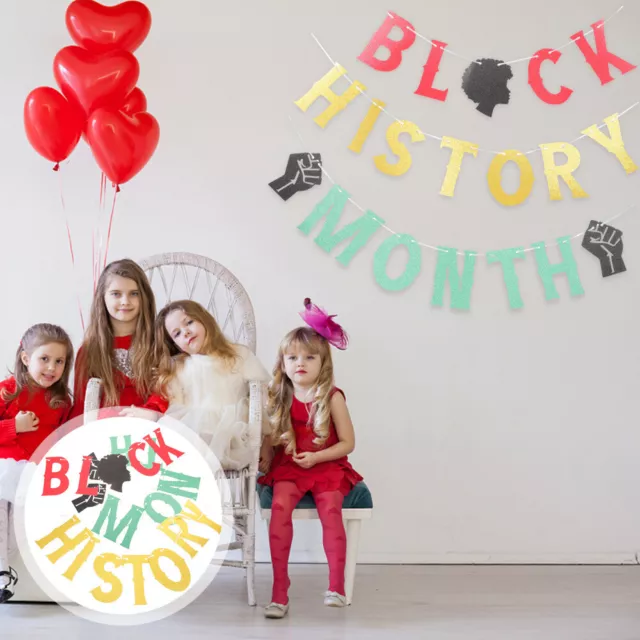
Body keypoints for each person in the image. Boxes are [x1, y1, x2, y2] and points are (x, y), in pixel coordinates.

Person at [259, 299, 362, 618]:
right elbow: (268, 437)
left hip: (327, 465)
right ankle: (279, 593)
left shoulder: (332, 397)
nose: (300, 362)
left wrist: (317, 458)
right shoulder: (277, 397)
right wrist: (265, 456)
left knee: (332, 510)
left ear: (323, 363)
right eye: (292, 357)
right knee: (279, 509)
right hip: (289, 467)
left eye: (309, 357)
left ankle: (336, 587)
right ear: (283, 363)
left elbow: (348, 443)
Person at [0, 323, 74, 602]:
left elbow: (62, 438)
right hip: (5, 467)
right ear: (25, 358)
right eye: (45, 359)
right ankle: (2, 572)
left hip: (35, 474)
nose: (52, 368)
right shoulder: (7, 391)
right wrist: (12, 427)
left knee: (25, 520)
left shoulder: (61, 401)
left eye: (59, 361)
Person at [156, 300, 271, 469]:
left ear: (204, 319)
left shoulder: (237, 355)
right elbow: (177, 407)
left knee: (207, 429)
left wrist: (267, 440)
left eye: (189, 322)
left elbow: (261, 401)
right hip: (195, 433)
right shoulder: (180, 368)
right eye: (177, 334)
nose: (186, 332)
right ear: (175, 345)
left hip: (233, 434)